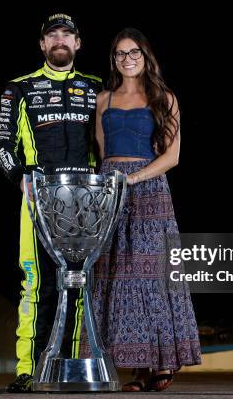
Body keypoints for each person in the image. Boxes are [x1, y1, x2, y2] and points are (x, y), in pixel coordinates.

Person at [80, 28, 201, 392]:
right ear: (113, 59)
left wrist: (133, 179)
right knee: (115, 277)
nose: (127, 59)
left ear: (146, 56)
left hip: (149, 190)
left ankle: (162, 362)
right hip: (110, 192)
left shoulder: (164, 97)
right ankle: (135, 369)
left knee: (150, 276)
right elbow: (103, 153)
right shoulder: (104, 100)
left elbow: (172, 156)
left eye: (133, 52)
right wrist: (110, 183)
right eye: (119, 54)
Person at [0, 13, 102, 393]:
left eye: (67, 35)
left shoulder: (97, 88)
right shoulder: (18, 88)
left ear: (78, 43)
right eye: (52, 35)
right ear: (42, 45)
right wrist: (19, 177)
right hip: (39, 200)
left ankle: (69, 367)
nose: (60, 40)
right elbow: (2, 145)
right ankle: (27, 369)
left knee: (77, 285)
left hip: (87, 204)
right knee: (35, 284)